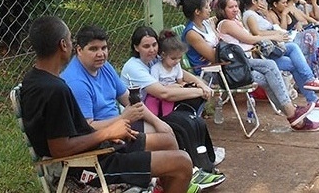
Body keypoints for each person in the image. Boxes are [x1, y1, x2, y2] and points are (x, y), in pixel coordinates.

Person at [20, 16, 195, 192]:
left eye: (103, 48)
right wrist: (107, 133)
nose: (101, 53)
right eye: (70, 40)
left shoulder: (35, 80)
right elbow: (60, 149)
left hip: (101, 147)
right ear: (63, 45)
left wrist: (111, 134)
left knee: (167, 141)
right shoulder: (56, 89)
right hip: (90, 164)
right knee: (183, 163)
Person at [179, 0, 319, 132]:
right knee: (270, 67)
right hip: (214, 73)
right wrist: (228, 49)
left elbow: (219, 45)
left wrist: (225, 47)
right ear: (197, 11)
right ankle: (293, 114)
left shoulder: (205, 24)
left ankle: (294, 117)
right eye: (206, 7)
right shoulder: (192, 33)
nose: (210, 9)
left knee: (268, 76)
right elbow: (215, 57)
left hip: (229, 66)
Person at [119, 26, 228, 189]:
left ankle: (201, 164)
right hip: (138, 117)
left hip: (156, 110)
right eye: (146, 46)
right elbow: (164, 93)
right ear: (136, 47)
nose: (151, 50)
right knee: (180, 125)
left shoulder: (154, 59)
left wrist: (200, 83)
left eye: (154, 45)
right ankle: (189, 172)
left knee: (192, 122)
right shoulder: (134, 67)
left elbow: (180, 72)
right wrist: (198, 90)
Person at [221, 0, 319, 111]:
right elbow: (253, 36)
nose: (235, 9)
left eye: (235, 6)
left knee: (294, 55)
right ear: (254, 1)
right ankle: (309, 89)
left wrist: (268, 19)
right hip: (256, 57)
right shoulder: (239, 19)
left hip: (261, 52)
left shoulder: (239, 20)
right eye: (231, 7)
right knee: (300, 48)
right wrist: (274, 35)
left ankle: (311, 89)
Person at [61, 25, 176, 146]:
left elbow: (129, 99)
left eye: (104, 48)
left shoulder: (104, 66)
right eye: (93, 49)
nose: (100, 54)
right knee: (168, 142)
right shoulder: (77, 82)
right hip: (104, 139)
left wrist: (158, 123)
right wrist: (123, 118)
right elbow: (87, 128)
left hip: (120, 123)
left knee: (172, 130)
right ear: (79, 50)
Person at [145, 29, 189, 117]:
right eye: (173, 58)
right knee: (151, 106)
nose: (177, 61)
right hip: (156, 95)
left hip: (171, 95)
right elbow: (156, 87)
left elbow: (180, 81)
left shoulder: (177, 66)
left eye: (179, 58)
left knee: (169, 111)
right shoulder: (156, 68)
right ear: (163, 55)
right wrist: (173, 86)